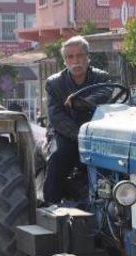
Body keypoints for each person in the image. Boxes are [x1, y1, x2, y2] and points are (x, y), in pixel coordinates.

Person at [42, 35, 112, 204]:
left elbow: (106, 92)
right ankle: (51, 202)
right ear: (65, 61)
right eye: (70, 57)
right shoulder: (55, 83)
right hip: (65, 133)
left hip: (96, 133)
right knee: (59, 154)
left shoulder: (101, 78)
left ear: (88, 57)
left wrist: (81, 102)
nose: (76, 61)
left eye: (80, 55)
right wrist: (80, 135)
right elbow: (56, 117)